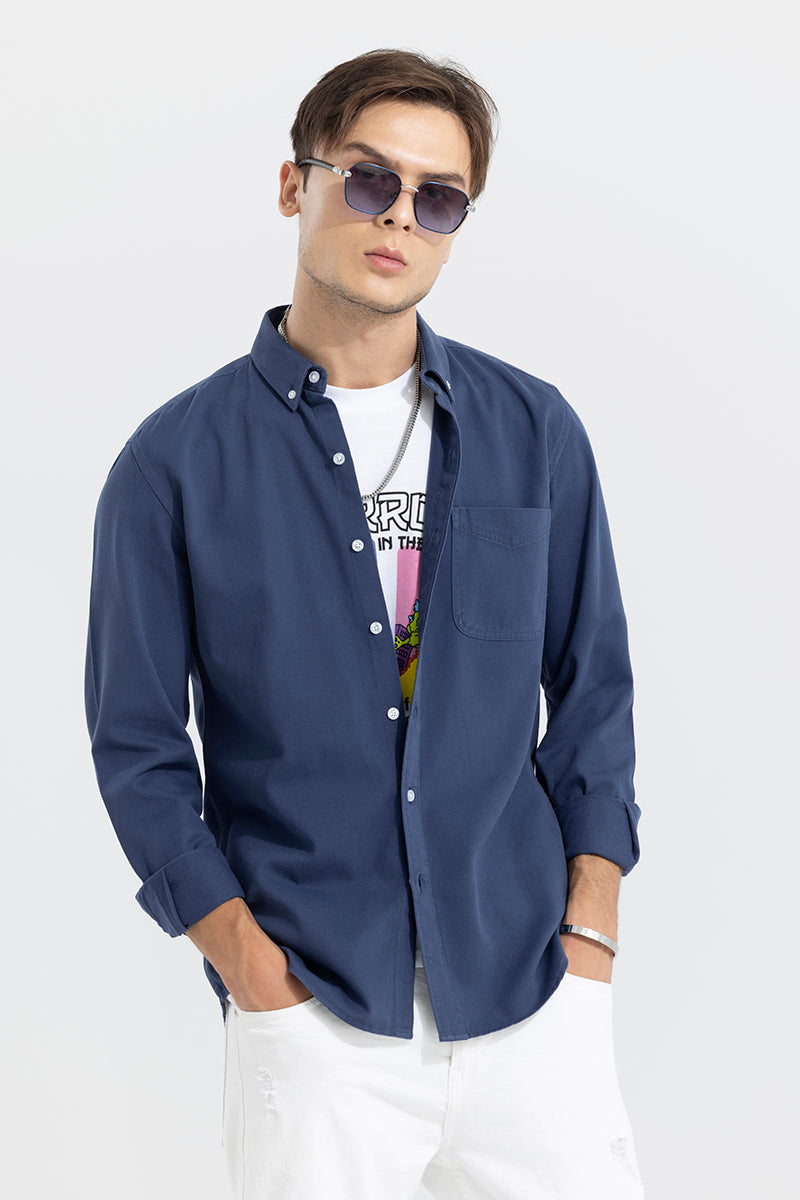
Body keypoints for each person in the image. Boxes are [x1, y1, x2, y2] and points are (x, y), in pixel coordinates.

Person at [85, 48, 644, 1200]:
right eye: (370, 178)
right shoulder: (172, 464)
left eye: (437, 199)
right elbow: (137, 747)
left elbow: (591, 689)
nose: (398, 216)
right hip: (314, 1015)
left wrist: (590, 933)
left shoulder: (532, 430)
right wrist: (249, 969)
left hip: (530, 997)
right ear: (294, 184)